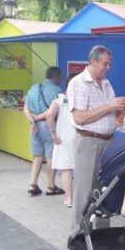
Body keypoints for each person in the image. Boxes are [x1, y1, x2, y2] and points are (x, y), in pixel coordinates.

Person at [67, 45, 125, 226]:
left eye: (110, 64)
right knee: (85, 189)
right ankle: (77, 235)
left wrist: (119, 110)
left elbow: (109, 115)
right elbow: (79, 118)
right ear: (93, 61)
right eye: (105, 64)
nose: (108, 68)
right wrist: (110, 106)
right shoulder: (78, 83)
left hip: (108, 142)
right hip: (89, 141)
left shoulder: (107, 84)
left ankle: (100, 233)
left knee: (105, 189)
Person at [24, 66, 64, 196]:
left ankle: (33, 184)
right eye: (60, 77)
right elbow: (51, 112)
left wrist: (32, 121)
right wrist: (40, 117)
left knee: (37, 155)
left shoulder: (34, 88)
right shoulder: (58, 91)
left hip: (34, 127)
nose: (61, 80)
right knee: (50, 156)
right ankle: (51, 186)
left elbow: (26, 108)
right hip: (49, 125)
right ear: (55, 77)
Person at [46, 73, 78, 207]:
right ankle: (81, 199)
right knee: (82, 169)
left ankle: (69, 199)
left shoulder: (60, 98)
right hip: (82, 136)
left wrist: (53, 134)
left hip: (63, 138)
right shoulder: (83, 98)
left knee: (66, 168)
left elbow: (49, 115)